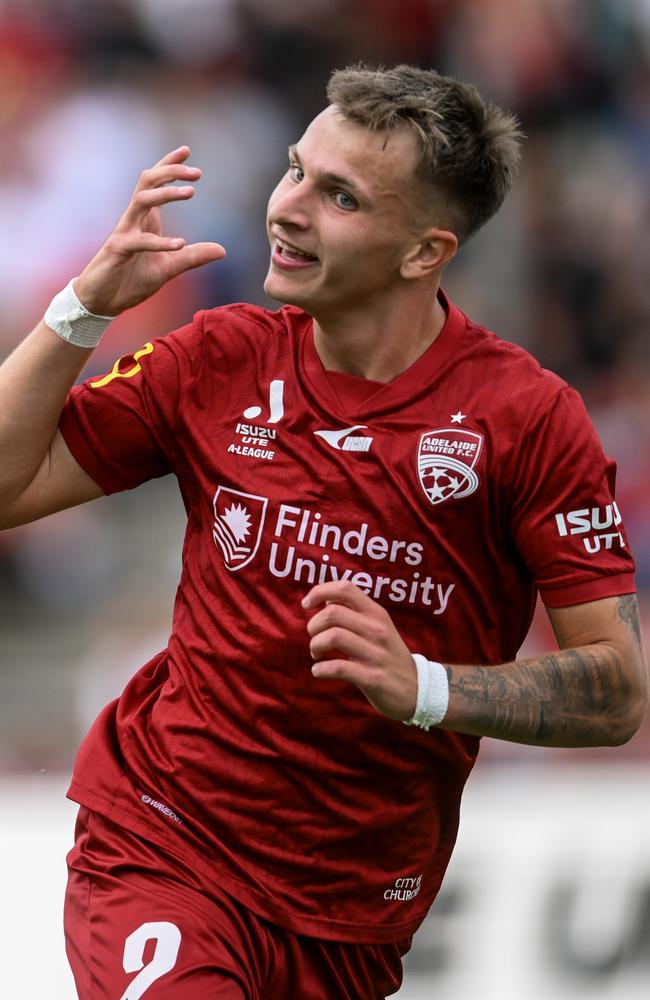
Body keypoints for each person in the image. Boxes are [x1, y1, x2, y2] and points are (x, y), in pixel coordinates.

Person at [0, 64, 647, 999]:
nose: (289, 208)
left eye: (338, 196)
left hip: (351, 909)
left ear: (425, 252)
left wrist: (424, 687)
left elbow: (618, 690)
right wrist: (83, 305)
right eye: (295, 169)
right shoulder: (216, 358)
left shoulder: (524, 419)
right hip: (164, 842)